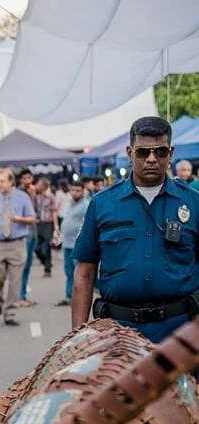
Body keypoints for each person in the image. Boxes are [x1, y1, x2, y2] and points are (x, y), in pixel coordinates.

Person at [72, 116, 199, 343]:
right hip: (118, 333)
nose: (151, 159)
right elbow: (85, 273)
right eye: (143, 152)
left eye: (160, 152)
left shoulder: (193, 202)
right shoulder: (102, 204)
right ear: (130, 153)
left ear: (170, 154)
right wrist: (78, 339)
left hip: (181, 332)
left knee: (182, 382)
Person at [0, 168, 36, 326]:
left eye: (2, 181)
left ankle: (10, 312)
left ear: (11, 181)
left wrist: (18, 219)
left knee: (15, 281)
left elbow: (33, 218)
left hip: (17, 243)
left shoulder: (22, 197)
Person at [56, 180, 89, 307]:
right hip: (67, 243)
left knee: (79, 273)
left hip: (77, 244)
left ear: (83, 191)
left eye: (78, 190)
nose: (75, 193)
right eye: (73, 190)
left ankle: (80, 297)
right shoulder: (70, 204)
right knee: (68, 271)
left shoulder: (86, 204)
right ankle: (69, 296)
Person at [16, 169, 39, 305]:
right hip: (24, 235)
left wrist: (34, 196)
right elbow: (26, 213)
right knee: (22, 266)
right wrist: (31, 197)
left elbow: (35, 213)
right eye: (25, 178)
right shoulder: (19, 194)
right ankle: (19, 296)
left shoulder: (33, 192)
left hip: (33, 233)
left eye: (29, 178)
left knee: (28, 266)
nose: (27, 181)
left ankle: (22, 295)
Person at [33, 177, 60, 278]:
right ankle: (46, 263)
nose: (37, 186)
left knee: (46, 247)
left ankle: (47, 269)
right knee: (37, 247)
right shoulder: (37, 197)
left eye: (39, 184)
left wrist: (56, 226)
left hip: (48, 224)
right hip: (39, 223)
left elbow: (54, 212)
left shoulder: (51, 197)